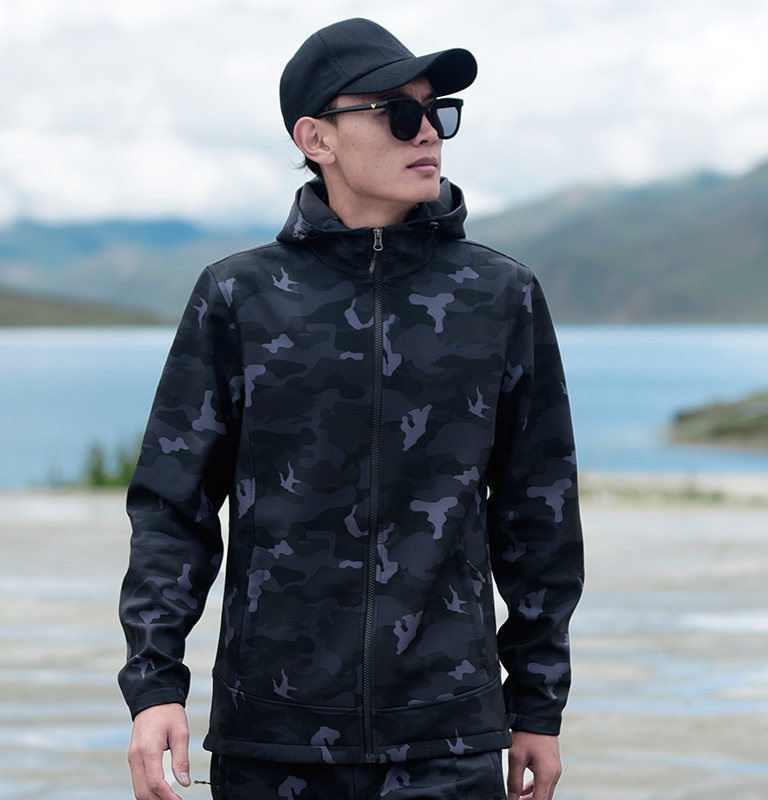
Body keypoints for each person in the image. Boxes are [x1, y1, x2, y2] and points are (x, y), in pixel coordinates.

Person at [119, 17, 584, 800]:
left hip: (448, 738)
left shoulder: (501, 294)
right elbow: (173, 508)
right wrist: (154, 684)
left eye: (437, 112)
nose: (426, 132)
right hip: (272, 737)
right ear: (316, 138)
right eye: (398, 113)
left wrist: (538, 703)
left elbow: (539, 513)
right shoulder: (237, 296)